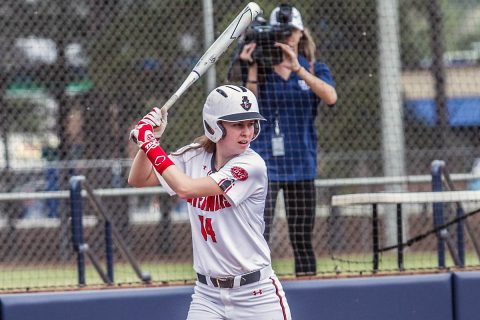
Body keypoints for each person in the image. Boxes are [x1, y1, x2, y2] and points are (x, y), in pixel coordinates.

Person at [128, 85, 292, 320]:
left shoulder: (251, 166)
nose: (246, 132)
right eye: (237, 125)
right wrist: (151, 140)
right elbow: (138, 179)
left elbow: (185, 188)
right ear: (215, 126)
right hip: (208, 296)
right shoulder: (194, 156)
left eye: (250, 124)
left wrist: (149, 144)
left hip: (255, 295)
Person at [238, 4, 338, 276]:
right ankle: (258, 291)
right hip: (265, 166)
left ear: (301, 33)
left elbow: (330, 96)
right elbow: (249, 106)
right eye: (282, 32)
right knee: (259, 237)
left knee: (302, 239)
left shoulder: (314, 67)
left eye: (292, 31)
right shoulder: (262, 67)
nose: (288, 37)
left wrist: (299, 69)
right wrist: (252, 68)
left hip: (301, 165)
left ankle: (309, 287)